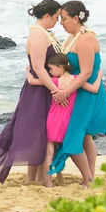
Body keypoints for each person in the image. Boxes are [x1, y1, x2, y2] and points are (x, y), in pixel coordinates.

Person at [0, 0, 61, 184]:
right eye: (56, 17)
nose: (58, 21)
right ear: (47, 15)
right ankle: (34, 178)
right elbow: (39, 67)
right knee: (36, 132)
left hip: (42, 87)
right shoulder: (38, 35)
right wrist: (55, 90)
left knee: (41, 133)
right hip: (39, 91)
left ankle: (36, 177)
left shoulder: (44, 33)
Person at [47, 0, 106, 185]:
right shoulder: (73, 37)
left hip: (84, 93)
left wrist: (64, 93)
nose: (61, 22)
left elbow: (85, 72)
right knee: (85, 136)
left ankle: (88, 178)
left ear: (76, 18)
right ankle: (89, 176)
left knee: (73, 137)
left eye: (64, 18)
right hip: (77, 90)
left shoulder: (86, 38)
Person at [36, 50, 75, 186]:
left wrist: (28, 73)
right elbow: (93, 88)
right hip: (68, 121)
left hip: (53, 120)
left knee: (49, 152)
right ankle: (59, 175)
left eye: (51, 68)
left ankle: (48, 183)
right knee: (60, 151)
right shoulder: (75, 80)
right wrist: (99, 76)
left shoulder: (54, 81)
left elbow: (32, 81)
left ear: (60, 67)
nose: (49, 72)